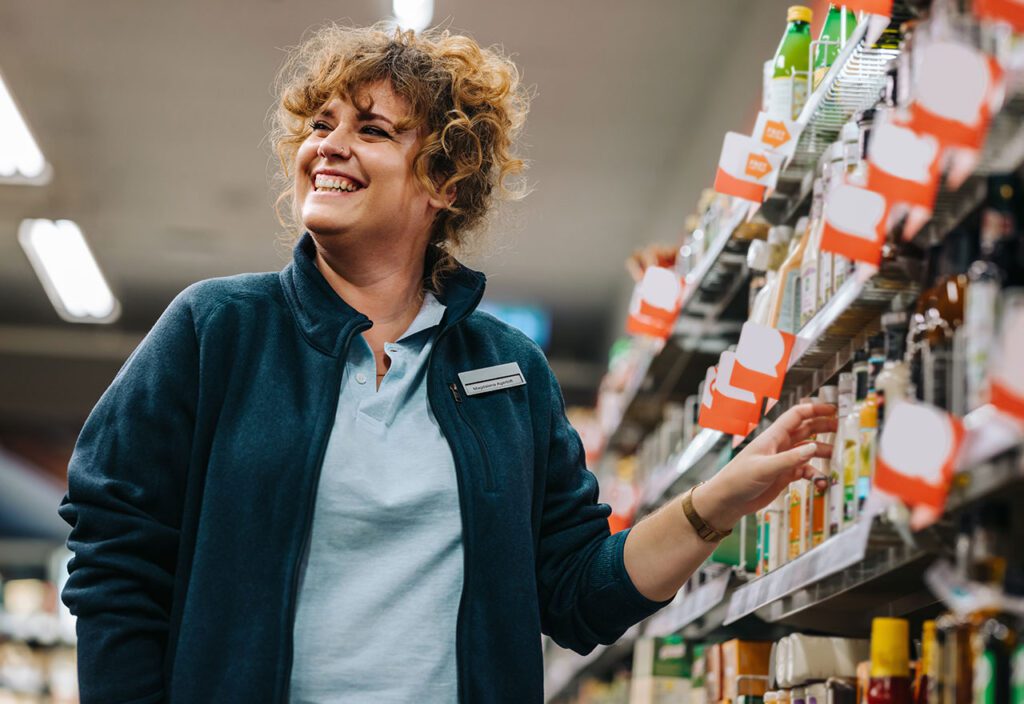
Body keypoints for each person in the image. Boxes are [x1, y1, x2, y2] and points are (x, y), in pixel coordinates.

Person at [57, 22, 836, 704]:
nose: (327, 145)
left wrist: (718, 501)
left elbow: (576, 592)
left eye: (371, 129)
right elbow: (115, 555)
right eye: (321, 124)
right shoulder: (217, 330)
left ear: (443, 181)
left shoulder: (508, 372)